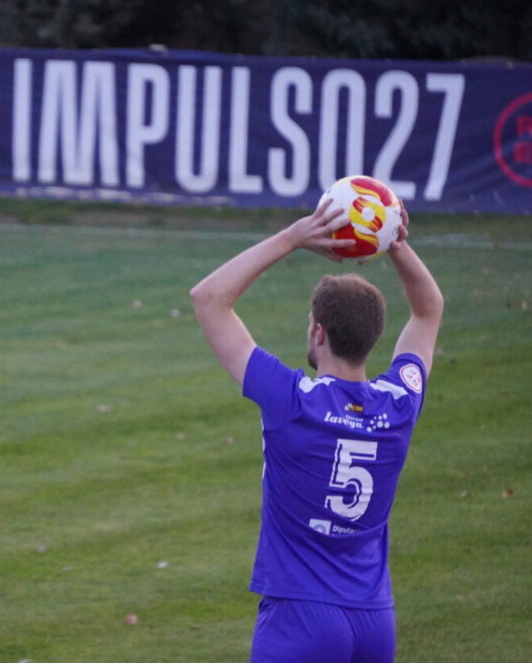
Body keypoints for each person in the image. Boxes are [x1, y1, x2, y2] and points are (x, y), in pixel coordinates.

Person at [189, 197, 443, 663]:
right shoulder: (399, 403)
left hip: (300, 618)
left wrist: (293, 237)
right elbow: (428, 312)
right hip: (374, 620)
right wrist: (395, 242)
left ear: (319, 333)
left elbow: (208, 298)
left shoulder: (291, 400)